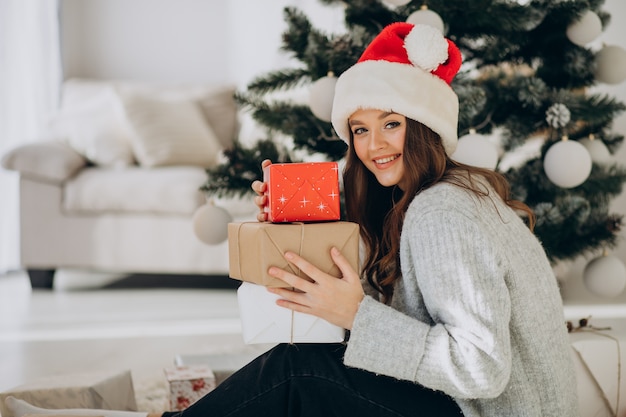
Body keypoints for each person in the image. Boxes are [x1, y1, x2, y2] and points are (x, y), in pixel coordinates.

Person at [6, 22, 578, 417]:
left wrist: (355, 313)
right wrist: (293, 225)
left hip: (486, 409)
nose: (374, 145)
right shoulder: (427, 196)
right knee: (290, 371)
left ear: (424, 125)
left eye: (391, 124)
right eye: (359, 129)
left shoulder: (442, 211)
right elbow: (420, 324)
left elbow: (481, 369)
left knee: (295, 372)